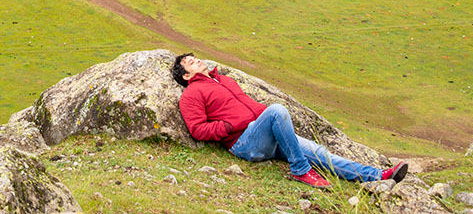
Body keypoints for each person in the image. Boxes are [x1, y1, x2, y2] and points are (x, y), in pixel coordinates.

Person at [172, 53, 407, 189]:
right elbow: (197, 129)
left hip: (265, 135)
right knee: (276, 110)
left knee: (320, 152)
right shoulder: (192, 94)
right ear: (186, 75)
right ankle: (300, 170)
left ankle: (379, 176)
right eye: (191, 63)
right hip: (244, 143)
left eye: (195, 58)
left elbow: (245, 105)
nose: (198, 61)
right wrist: (231, 126)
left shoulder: (224, 80)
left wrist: (259, 115)